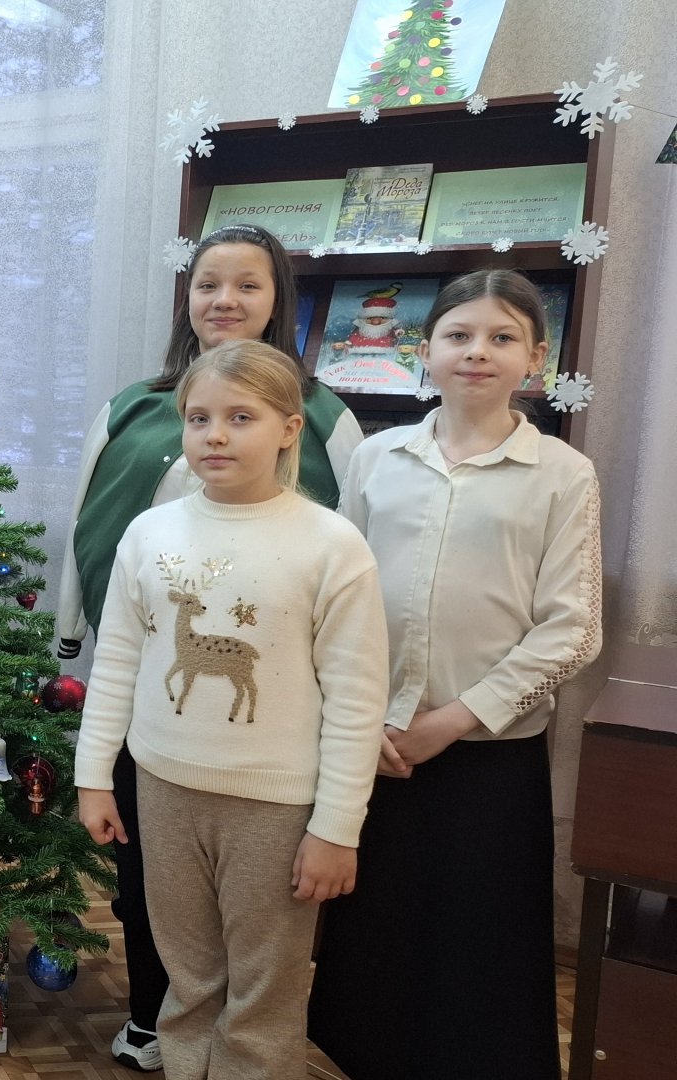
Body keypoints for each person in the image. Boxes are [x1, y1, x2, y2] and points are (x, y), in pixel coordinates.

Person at [51, 222, 362, 1072]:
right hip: (155, 726)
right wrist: (68, 634)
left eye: (248, 284)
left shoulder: (327, 430)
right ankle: (157, 1025)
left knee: (262, 946)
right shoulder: (131, 410)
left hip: (272, 762)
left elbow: (356, 598)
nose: (225, 299)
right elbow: (89, 529)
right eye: (208, 283)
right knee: (158, 896)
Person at [309, 269, 602, 1080]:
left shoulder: (562, 474)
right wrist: (360, 717)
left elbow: (573, 627)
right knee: (378, 930)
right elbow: (335, 594)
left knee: (480, 937)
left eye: (502, 337)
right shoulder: (376, 459)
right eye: (459, 335)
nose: (478, 352)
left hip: (486, 753)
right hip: (377, 742)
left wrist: (455, 717)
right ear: (425, 351)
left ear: (535, 358)